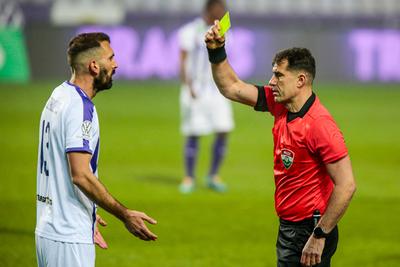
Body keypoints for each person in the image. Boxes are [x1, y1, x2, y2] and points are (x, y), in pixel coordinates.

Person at [205, 22, 356, 267]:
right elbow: (232, 87)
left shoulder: (320, 125)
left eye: (278, 75)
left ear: (301, 80)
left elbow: (347, 185)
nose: (271, 81)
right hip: (291, 227)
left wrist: (319, 235)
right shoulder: (280, 105)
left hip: (310, 229)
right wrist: (216, 50)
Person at [35, 32, 157, 267]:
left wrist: (87, 214)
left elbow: (60, 167)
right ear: (94, 66)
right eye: (110, 58)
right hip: (68, 237)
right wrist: (124, 214)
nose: (116, 64)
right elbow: (80, 175)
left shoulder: (58, 96)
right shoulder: (80, 108)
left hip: (50, 229)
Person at [178, 0, 234, 194]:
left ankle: (213, 175)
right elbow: (183, 61)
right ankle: (189, 177)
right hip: (196, 88)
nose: (221, 12)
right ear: (209, 10)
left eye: (223, 9)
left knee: (223, 130)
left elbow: (227, 60)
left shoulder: (226, 31)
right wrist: (188, 85)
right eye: (218, 9)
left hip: (217, 89)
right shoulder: (190, 31)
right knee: (194, 132)